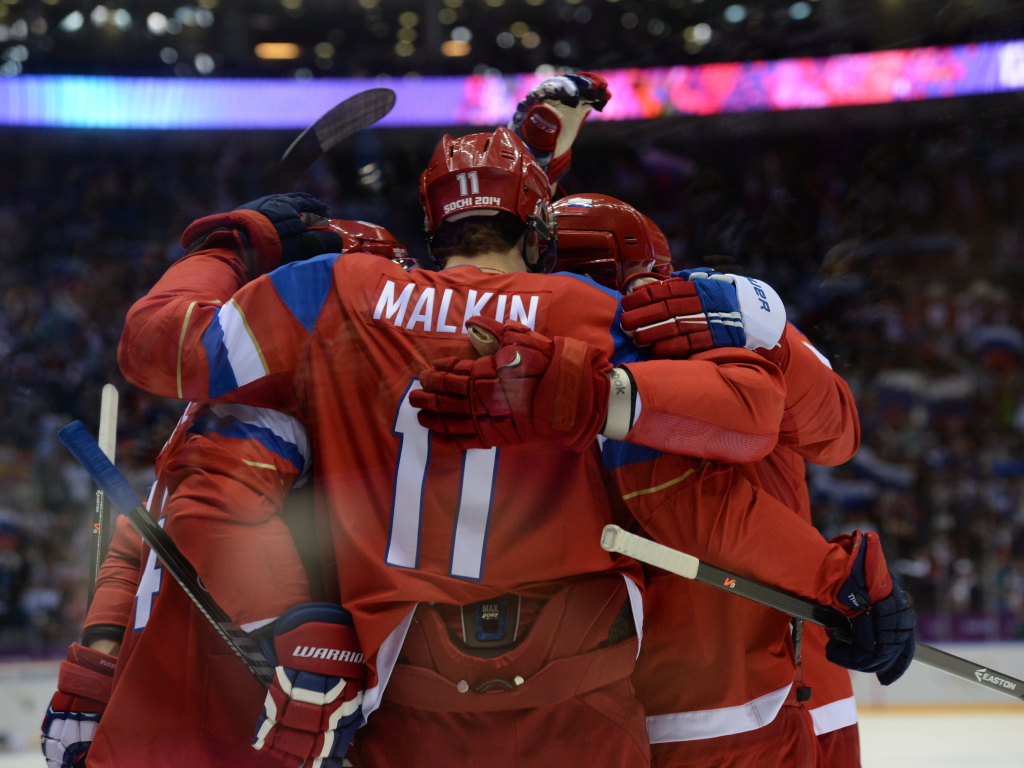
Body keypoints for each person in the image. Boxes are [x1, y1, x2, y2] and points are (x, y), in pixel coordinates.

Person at [114, 128, 815, 768]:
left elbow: (159, 347)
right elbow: (752, 417)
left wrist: (231, 247)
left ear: (432, 226)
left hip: (408, 691)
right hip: (580, 687)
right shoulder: (592, 311)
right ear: (540, 226)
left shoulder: (334, 292)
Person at [42, 218, 408, 768]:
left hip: (152, 726)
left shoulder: (224, 395)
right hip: (231, 733)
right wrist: (309, 640)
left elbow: (143, 530)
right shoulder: (287, 397)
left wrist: (98, 656)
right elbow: (203, 517)